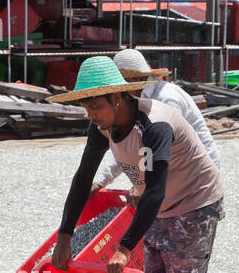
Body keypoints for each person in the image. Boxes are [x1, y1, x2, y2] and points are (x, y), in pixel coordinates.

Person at [48, 55, 224, 273]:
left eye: (95, 107)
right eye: (86, 108)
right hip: (160, 207)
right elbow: (83, 178)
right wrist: (65, 236)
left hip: (195, 202)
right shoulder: (102, 126)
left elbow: (154, 190)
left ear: (117, 98)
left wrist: (124, 248)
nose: (91, 115)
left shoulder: (155, 125)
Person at [92, 48, 221, 192]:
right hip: (174, 171)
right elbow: (129, 149)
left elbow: (166, 151)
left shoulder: (166, 98)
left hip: (197, 173)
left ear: (137, 80)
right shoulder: (135, 100)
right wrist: (101, 181)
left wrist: (143, 187)